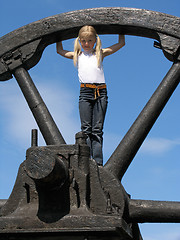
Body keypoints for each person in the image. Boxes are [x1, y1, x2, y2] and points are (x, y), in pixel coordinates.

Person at [56, 25, 125, 166]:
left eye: (89, 40)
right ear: (79, 41)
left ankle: (98, 162)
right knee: (86, 129)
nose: (86, 44)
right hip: (85, 92)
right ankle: (86, 160)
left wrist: (121, 31)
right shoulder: (77, 56)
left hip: (101, 92)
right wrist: (58, 36)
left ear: (95, 41)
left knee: (97, 130)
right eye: (83, 41)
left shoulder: (99, 54)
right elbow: (59, 51)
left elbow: (120, 44)